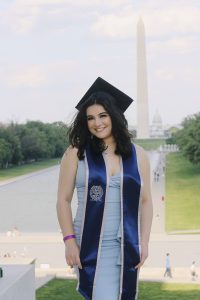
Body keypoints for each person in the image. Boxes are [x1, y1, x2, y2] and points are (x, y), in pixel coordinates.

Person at [56, 77, 153, 300]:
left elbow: (146, 201)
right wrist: (69, 241)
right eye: (90, 118)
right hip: (89, 243)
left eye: (103, 115)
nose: (97, 123)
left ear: (115, 116)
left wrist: (144, 242)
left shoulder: (138, 155)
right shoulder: (76, 154)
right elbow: (63, 200)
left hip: (126, 244)